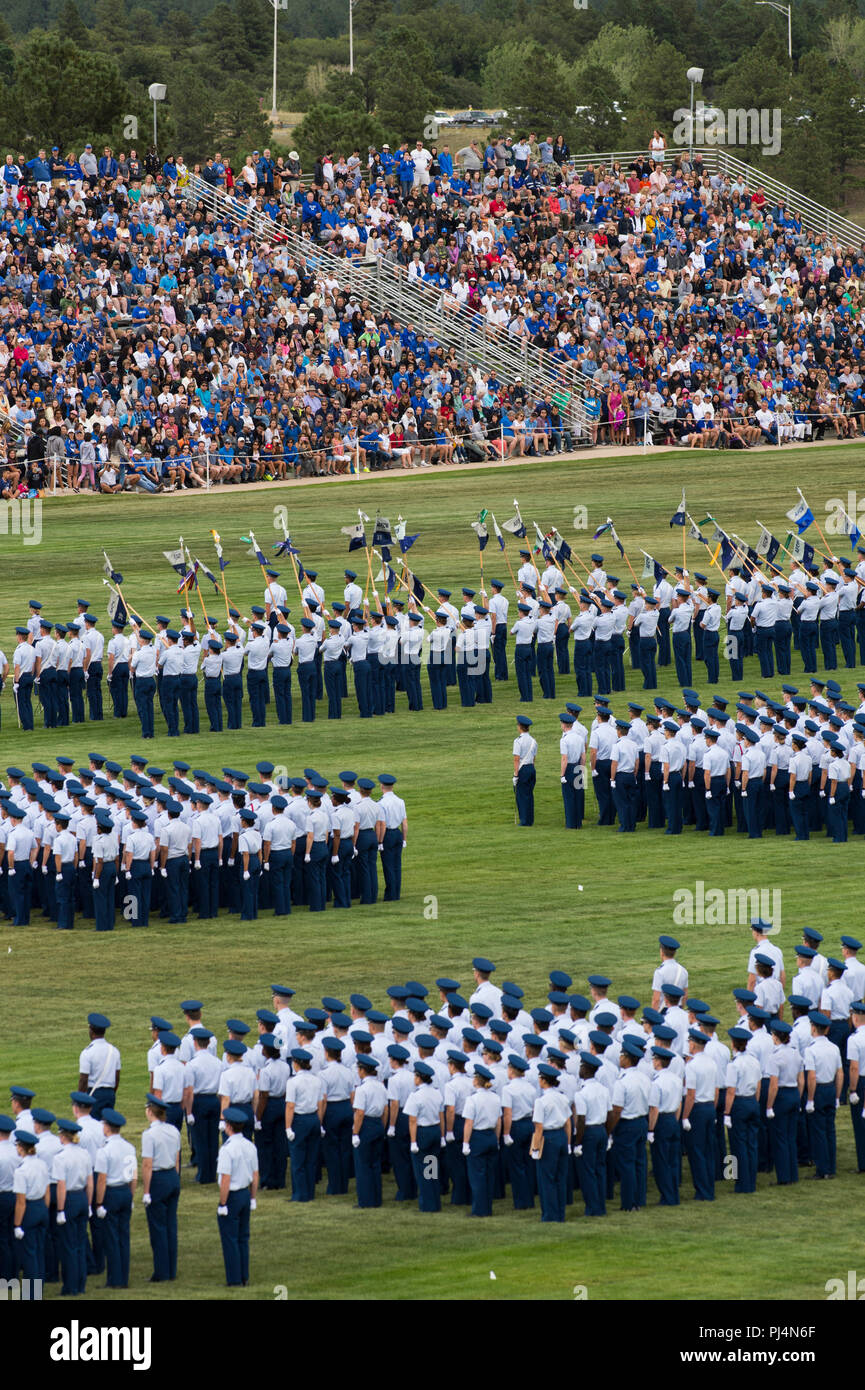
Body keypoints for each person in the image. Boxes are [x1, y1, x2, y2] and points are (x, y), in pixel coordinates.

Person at [93, 1109, 137, 1289]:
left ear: (107, 1127)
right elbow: (134, 1176)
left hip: (111, 1193)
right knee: (123, 1237)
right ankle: (123, 1278)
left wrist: (99, 1202)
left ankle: (114, 1279)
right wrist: (131, 1196)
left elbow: (102, 1180)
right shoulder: (129, 1147)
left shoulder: (104, 1151)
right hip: (126, 1192)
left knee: (111, 1238)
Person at [217, 1106, 259, 1288]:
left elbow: (226, 1178)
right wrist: (253, 1197)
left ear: (228, 1126)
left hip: (232, 1196)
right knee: (243, 1237)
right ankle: (244, 1276)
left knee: (230, 1239)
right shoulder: (250, 1146)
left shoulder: (227, 1149)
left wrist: (222, 1203)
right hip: (245, 1194)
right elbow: (255, 1174)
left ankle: (234, 1278)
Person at [141, 1093, 181, 1283]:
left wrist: (146, 1191)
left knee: (158, 1228)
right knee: (171, 1226)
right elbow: (177, 1158)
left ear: (150, 1112)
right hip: (172, 1176)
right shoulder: (173, 1130)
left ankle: (162, 1272)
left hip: (158, 1179)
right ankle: (171, 1269)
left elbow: (148, 1164)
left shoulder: (149, 1135)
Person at [608, 1036, 650, 1210]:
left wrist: (610, 1130)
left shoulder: (622, 1081)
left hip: (627, 1124)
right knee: (640, 1163)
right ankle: (639, 1199)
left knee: (627, 1165)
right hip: (642, 1122)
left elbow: (617, 1110)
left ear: (626, 1058)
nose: (619, 1058)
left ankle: (628, 1203)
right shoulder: (644, 1078)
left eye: (621, 1055)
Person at [52, 1117, 93, 1297]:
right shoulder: (85, 1154)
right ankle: (81, 1284)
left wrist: (60, 1210)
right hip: (83, 1198)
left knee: (68, 1246)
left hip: (69, 1200)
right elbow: (90, 1183)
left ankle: (70, 1286)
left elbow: (61, 1186)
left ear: (63, 1136)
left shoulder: (60, 1157)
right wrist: (89, 1203)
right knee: (80, 1243)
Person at [724, 1027, 762, 1193]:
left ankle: (742, 1184)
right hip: (752, 1101)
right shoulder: (754, 1061)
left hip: (739, 1103)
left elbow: (731, 1091)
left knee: (739, 1145)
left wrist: (726, 1113)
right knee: (751, 1144)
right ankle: (751, 1181)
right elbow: (759, 1085)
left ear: (733, 1044)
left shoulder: (734, 1065)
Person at [531, 1062, 570, 1222]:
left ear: (543, 1080)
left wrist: (535, 1148)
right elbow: (568, 1122)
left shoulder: (541, 1101)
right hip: (561, 1136)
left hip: (548, 1138)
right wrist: (567, 1143)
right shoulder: (562, 1097)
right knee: (560, 1178)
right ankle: (560, 1213)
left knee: (546, 1178)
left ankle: (549, 1215)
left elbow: (538, 1128)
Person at [462, 1065, 502, 1217]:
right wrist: (497, 1140)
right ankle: (487, 1208)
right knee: (489, 1176)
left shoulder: (472, 1099)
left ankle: (479, 1210)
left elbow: (469, 1123)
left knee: (477, 1176)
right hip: (491, 1136)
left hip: (478, 1137)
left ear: (476, 1080)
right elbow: (498, 1121)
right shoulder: (495, 1098)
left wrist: (465, 1143)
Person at [573, 1051, 610, 1215]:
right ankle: (600, 1205)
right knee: (600, 1170)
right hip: (601, 1130)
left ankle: (592, 1207)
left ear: (586, 1069)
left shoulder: (581, 1093)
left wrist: (578, 1142)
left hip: (588, 1132)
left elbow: (581, 1119)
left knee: (588, 1172)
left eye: (581, 1066)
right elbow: (609, 1114)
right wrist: (608, 1134)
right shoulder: (604, 1090)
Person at [405, 1062, 444, 1212]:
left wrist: (413, 1141)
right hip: (434, 1131)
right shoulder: (437, 1093)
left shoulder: (415, 1096)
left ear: (419, 1078)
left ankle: (427, 1204)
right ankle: (435, 1201)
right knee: (432, 1168)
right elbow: (441, 1116)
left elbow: (412, 1120)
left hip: (422, 1132)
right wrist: (441, 1136)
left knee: (422, 1171)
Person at [12, 1130, 50, 1285]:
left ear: (21, 1148)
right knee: (39, 1251)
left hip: (30, 1210)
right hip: (41, 1207)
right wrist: (44, 1210)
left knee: (29, 1254)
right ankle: (38, 1289)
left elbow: (21, 1202)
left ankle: (31, 1294)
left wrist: (17, 1224)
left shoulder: (21, 1171)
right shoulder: (42, 1164)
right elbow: (47, 1191)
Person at [284, 1048, 322, 1202]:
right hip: (313, 1119)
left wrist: (288, 1127)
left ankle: (300, 1194)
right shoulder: (317, 1080)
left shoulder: (293, 1082)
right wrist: (319, 1123)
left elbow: (290, 1106)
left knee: (298, 1160)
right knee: (311, 1159)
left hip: (300, 1120)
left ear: (296, 1064)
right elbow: (320, 1103)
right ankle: (310, 1192)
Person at [646, 1045, 681, 1206]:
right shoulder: (676, 1079)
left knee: (661, 1162)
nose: (653, 1061)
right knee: (673, 1160)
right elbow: (679, 1103)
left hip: (661, 1121)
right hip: (673, 1119)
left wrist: (651, 1129)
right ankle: (673, 1194)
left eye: (654, 1059)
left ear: (659, 1062)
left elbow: (654, 1108)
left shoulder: (657, 1082)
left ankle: (667, 1197)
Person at [352, 1055, 387, 1207]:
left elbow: (359, 1113)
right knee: (375, 1164)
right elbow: (385, 1110)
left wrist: (355, 1133)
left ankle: (365, 1201)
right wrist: (383, 1127)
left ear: (362, 1070)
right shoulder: (381, 1086)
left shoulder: (362, 1089)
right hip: (378, 1123)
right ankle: (376, 1199)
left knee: (363, 1165)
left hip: (365, 1125)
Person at [77, 1012, 120, 1118]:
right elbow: (117, 1077)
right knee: (108, 1125)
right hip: (110, 1094)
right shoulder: (114, 1051)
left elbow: (83, 1080)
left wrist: (80, 1100)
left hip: (94, 1093)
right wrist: (111, 1093)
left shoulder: (87, 1052)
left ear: (91, 1030)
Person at [513, 713, 537, 825]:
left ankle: (524, 820)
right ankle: (530, 819)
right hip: (531, 768)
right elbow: (534, 758)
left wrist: (516, 775)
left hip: (522, 770)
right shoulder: (533, 741)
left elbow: (516, 759)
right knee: (529, 794)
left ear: (520, 726)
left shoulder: (518, 741)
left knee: (521, 795)